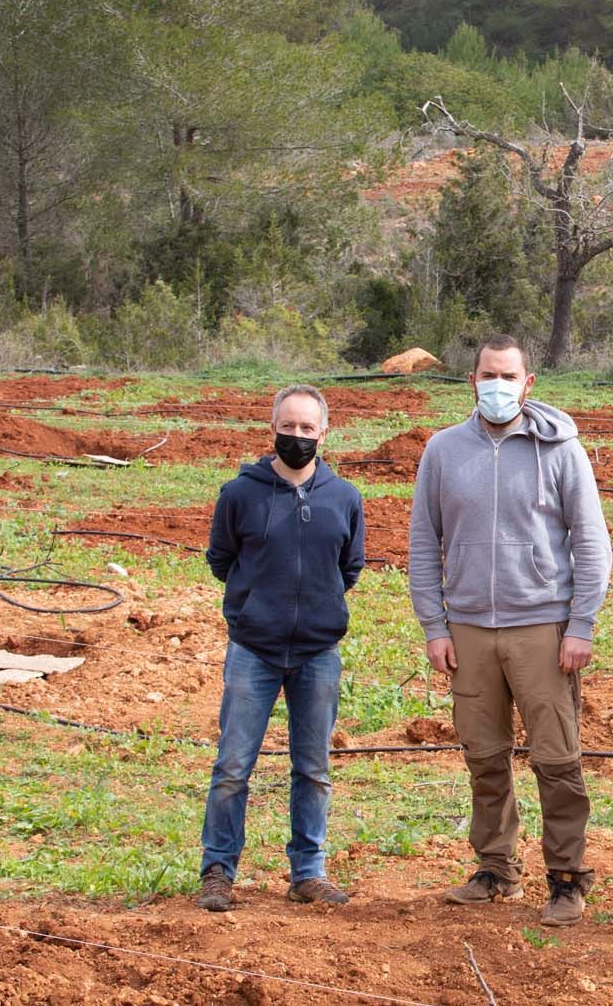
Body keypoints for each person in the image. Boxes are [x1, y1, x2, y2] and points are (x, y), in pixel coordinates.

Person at [409, 334, 613, 926]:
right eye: (485, 375)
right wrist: (434, 625)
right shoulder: (444, 451)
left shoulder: (561, 450)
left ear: (528, 384)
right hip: (468, 629)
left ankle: (567, 877)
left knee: (557, 758)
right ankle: (497, 868)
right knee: (484, 755)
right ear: (471, 380)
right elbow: (425, 543)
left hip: (542, 628)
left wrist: (580, 625)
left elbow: (591, 542)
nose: (495, 385)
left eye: (507, 376)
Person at [197, 384, 366, 912]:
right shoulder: (240, 494)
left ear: (324, 433)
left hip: (317, 653)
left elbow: (350, 568)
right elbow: (223, 559)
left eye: (307, 428)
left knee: (313, 768)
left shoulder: (344, 498)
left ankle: (308, 872)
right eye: (288, 427)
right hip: (254, 649)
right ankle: (218, 871)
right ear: (272, 428)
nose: (297, 436)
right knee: (232, 766)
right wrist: (256, 606)